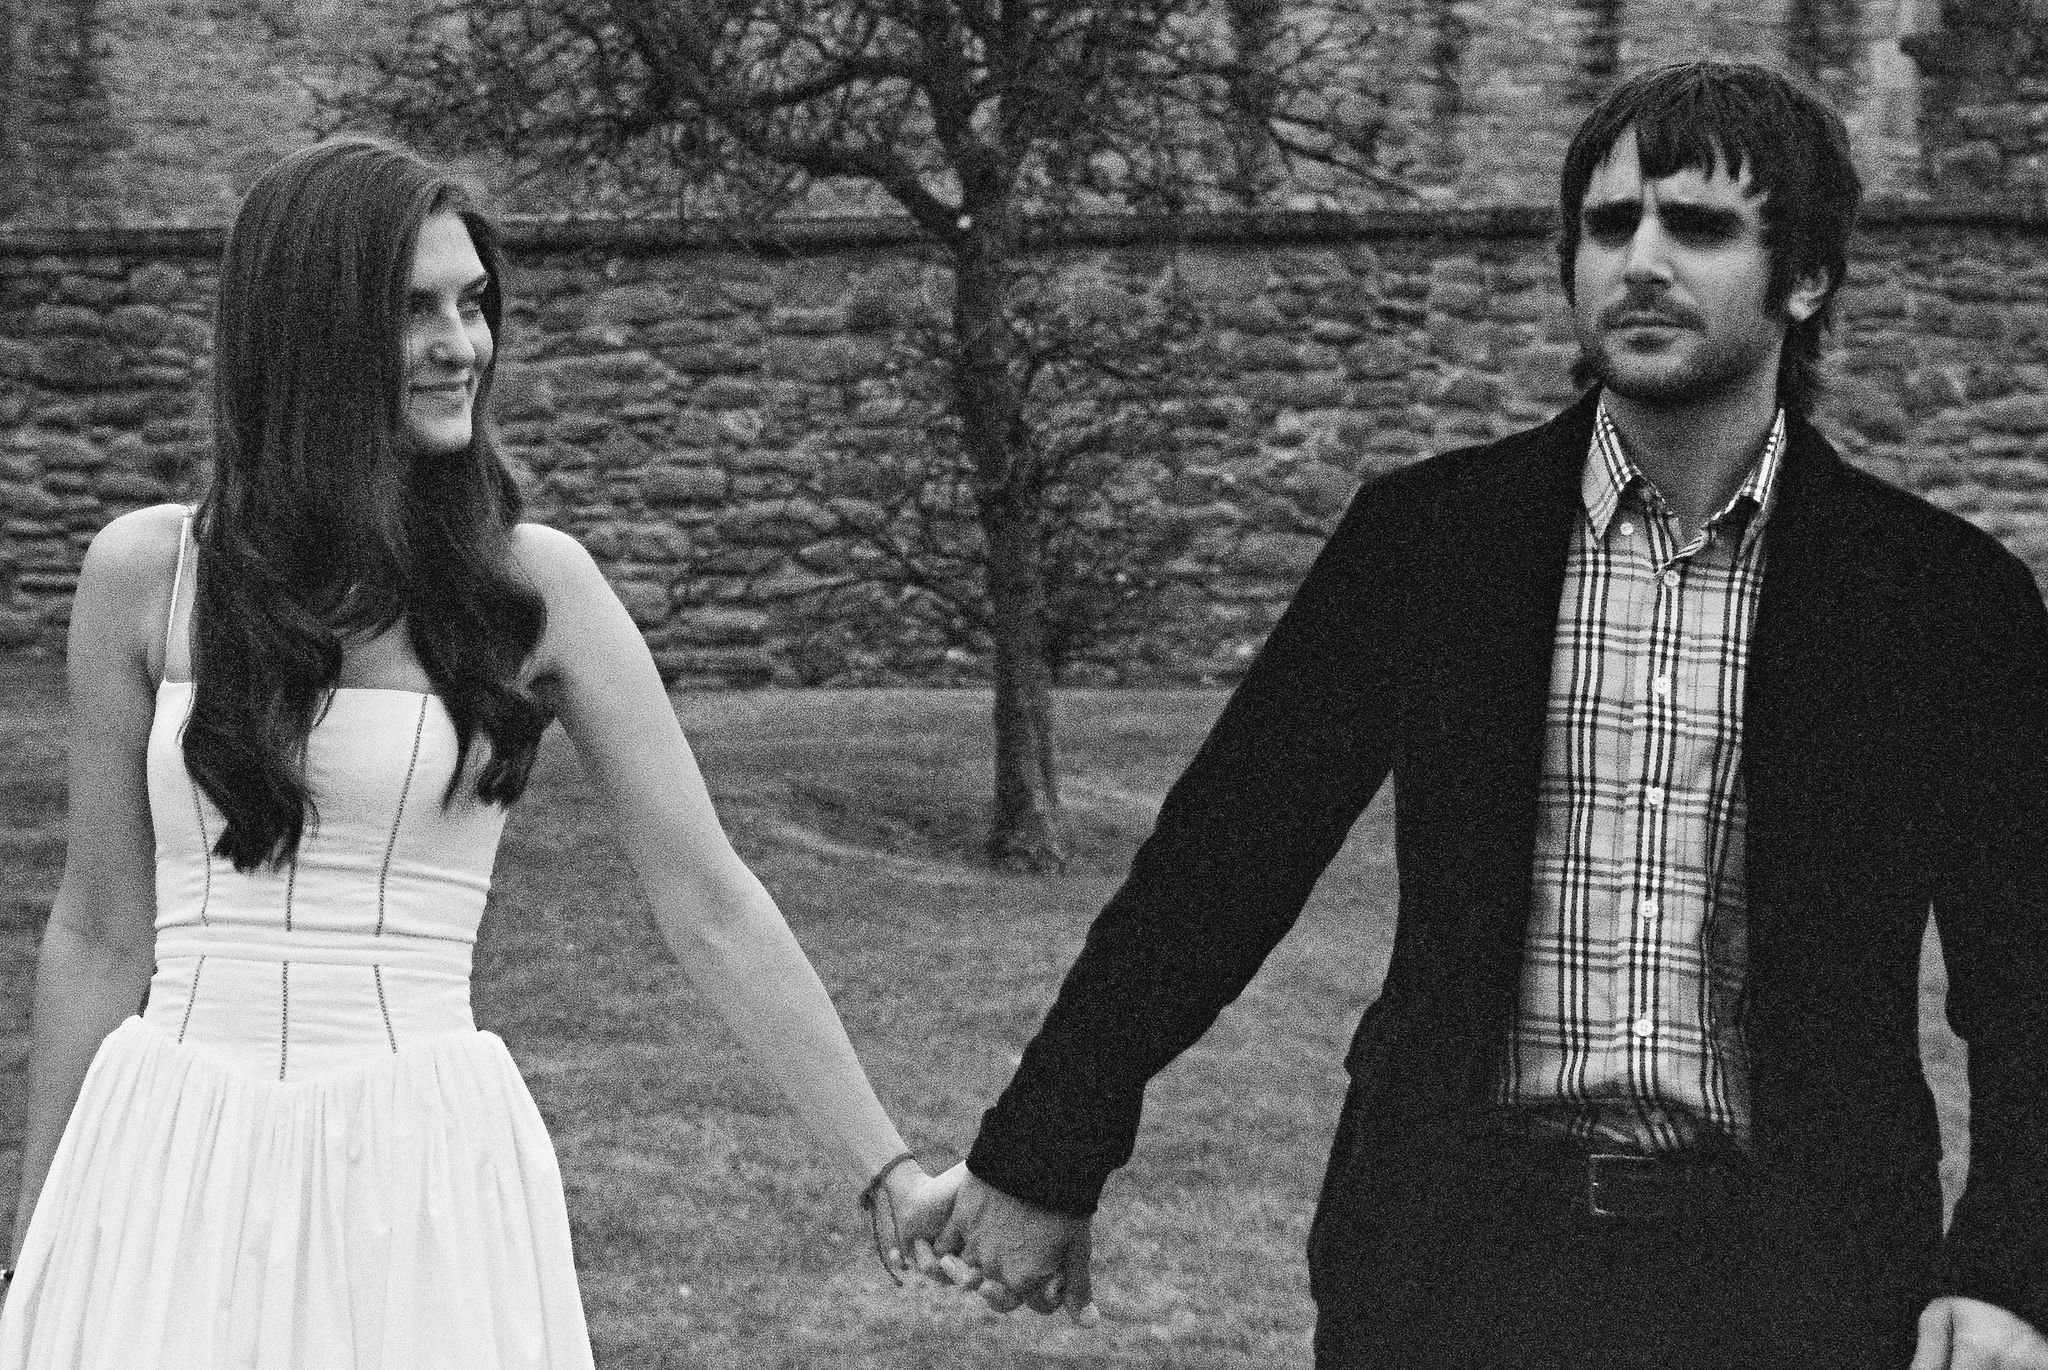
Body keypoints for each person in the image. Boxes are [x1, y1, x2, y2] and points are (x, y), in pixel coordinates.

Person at [931, 61, 2048, 1370]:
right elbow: (1217, 865)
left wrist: (2014, 1267)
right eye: (1606, 222)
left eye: (1695, 226)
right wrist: (1048, 1143)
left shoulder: (1941, 597)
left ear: (1804, 278)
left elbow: (2027, 972)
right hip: (1451, 1274)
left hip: (1799, 1286)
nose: (1639, 259)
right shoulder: (1429, 543)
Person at [0, 136, 959, 1369]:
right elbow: (96, 929)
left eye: (473, 303)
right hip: (168, 1149)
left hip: (420, 1166)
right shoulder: (140, 573)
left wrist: (884, 1163)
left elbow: (708, 901)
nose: (464, 343)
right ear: (306, 332)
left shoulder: (537, 587)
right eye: (414, 310)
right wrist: (35, 1251)